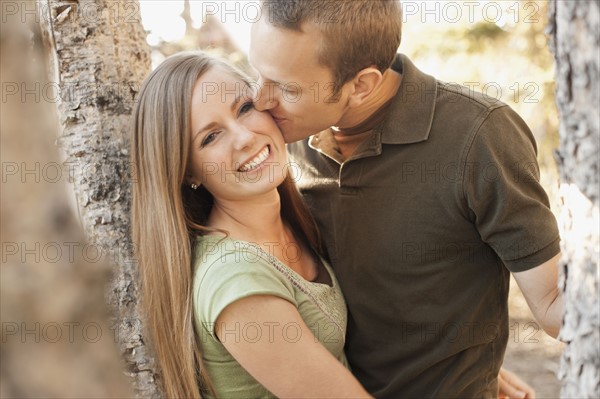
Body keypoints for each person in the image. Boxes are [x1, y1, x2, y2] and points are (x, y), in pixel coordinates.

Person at [248, 0, 563, 398]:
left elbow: (554, 304)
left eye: (287, 88)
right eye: (255, 72)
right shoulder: (278, 139)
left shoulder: (479, 136)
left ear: (361, 85)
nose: (259, 100)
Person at [130, 52, 372, 398]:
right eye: (210, 137)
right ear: (188, 172)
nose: (244, 137)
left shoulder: (294, 221)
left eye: (244, 107)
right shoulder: (237, 279)